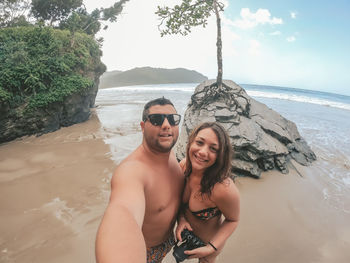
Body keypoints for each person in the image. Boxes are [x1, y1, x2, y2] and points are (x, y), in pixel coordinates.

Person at [95, 97, 185, 263]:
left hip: (167, 243)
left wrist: (183, 219)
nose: (166, 124)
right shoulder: (131, 171)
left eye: (173, 119)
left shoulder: (172, 157)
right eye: (157, 120)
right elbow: (123, 212)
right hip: (144, 253)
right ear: (143, 127)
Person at [176, 122, 240, 263]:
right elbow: (177, 202)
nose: (203, 152)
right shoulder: (184, 166)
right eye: (199, 142)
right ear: (191, 142)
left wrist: (211, 248)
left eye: (213, 149)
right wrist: (181, 219)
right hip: (187, 239)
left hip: (209, 245)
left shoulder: (223, 188)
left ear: (221, 155)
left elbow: (233, 220)